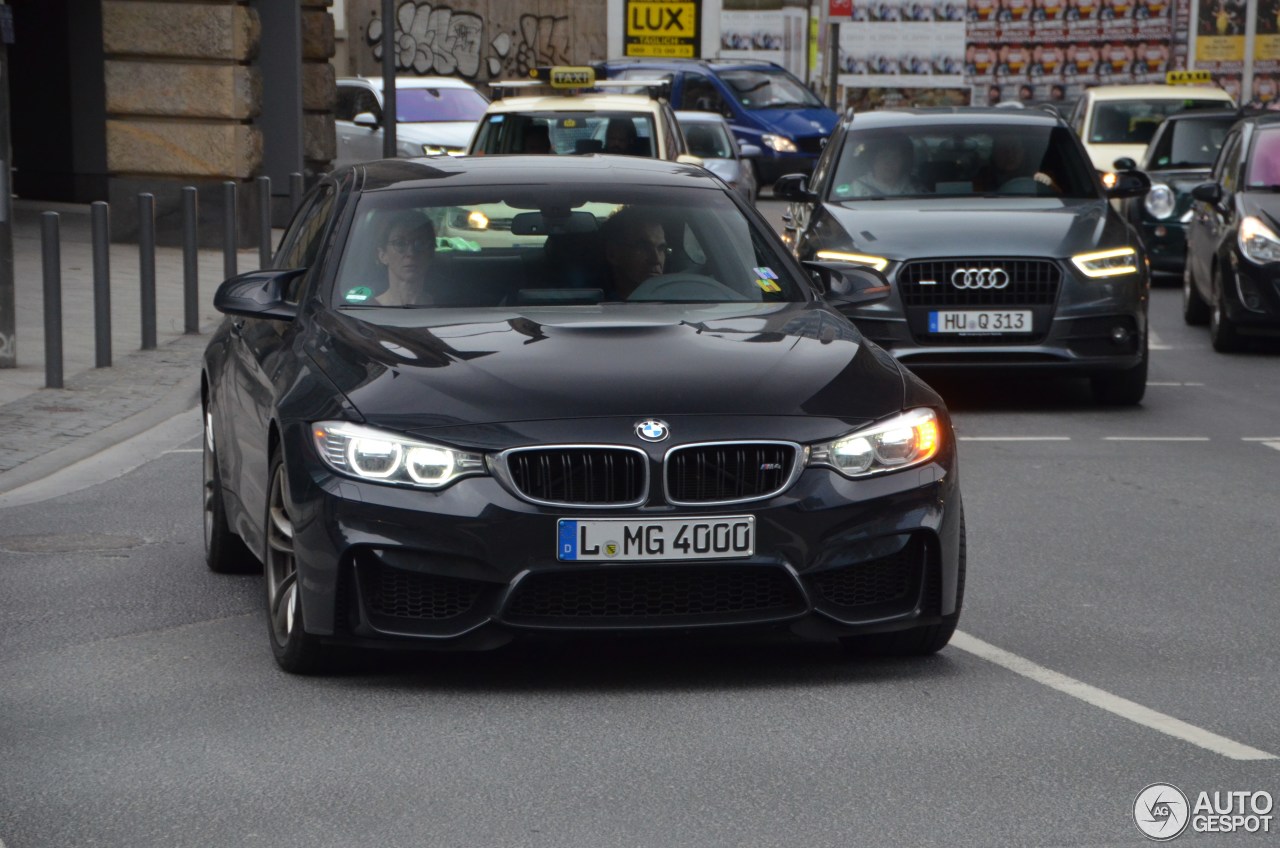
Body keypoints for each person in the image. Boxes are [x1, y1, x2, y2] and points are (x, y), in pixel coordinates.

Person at [601, 207, 668, 298]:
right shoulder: (595, 308)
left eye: (661, 248)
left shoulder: (678, 300)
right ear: (612, 254)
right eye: (644, 247)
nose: (656, 259)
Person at [375, 210, 436, 304]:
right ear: (383, 255)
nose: (411, 253)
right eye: (400, 244)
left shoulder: (447, 308)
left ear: (431, 253)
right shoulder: (361, 312)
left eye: (420, 243)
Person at [977, 135, 1059, 193]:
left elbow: (1063, 201)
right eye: (1003, 149)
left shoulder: (1041, 176)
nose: (1010, 154)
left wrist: (1049, 184)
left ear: (1023, 152)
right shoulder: (983, 177)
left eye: (1014, 148)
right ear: (994, 153)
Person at [851, 139, 923, 196]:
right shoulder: (857, 188)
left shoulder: (914, 187)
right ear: (873, 162)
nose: (889, 163)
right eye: (884, 157)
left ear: (902, 163)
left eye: (895, 158)